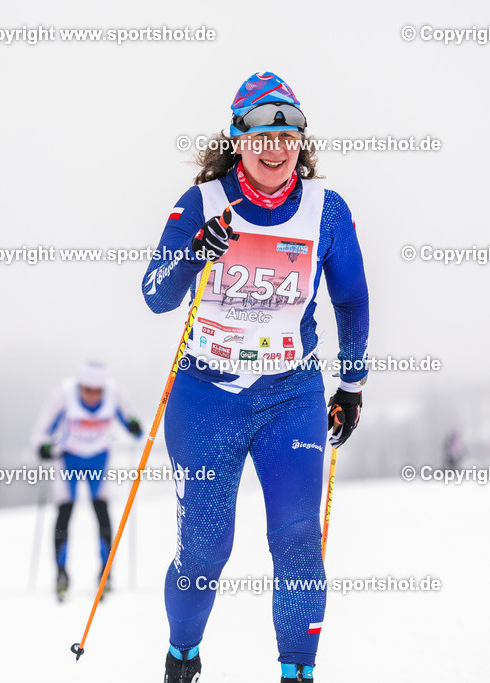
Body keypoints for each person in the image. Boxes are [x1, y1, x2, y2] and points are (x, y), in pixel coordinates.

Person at [142, 72, 369, 683]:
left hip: (289, 393)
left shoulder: (327, 209)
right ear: (238, 138)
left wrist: (350, 384)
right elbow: (155, 296)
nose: (276, 148)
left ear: (301, 140)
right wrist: (195, 249)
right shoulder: (203, 203)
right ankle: (182, 656)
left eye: (287, 134)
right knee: (206, 548)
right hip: (207, 394)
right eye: (262, 134)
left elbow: (350, 299)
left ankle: (298, 672)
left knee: (297, 541)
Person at [31, 362, 143, 602]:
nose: (92, 396)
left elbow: (133, 424)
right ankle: (61, 574)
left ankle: (106, 574)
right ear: (80, 386)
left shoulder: (114, 393)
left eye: (97, 391)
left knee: (102, 513)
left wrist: (135, 427)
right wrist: (42, 446)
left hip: (98, 460)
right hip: (67, 460)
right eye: (87, 390)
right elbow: (42, 428)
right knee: (65, 513)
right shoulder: (64, 394)